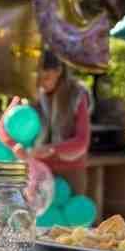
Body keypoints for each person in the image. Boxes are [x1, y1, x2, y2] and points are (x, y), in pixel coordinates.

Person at [34, 49, 92, 178]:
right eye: (39, 79)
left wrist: (52, 149)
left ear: (59, 71)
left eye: (47, 78)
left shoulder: (76, 94)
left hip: (71, 169)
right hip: (40, 170)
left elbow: (82, 140)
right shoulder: (33, 93)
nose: (42, 84)